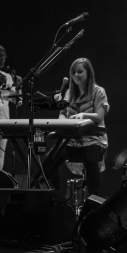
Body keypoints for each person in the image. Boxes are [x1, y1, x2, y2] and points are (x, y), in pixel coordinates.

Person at [48, 58, 109, 196]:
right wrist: (63, 122)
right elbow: (62, 113)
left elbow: (99, 117)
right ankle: (55, 199)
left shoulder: (98, 91)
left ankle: (92, 202)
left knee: (91, 160)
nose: (76, 75)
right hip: (72, 140)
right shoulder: (69, 92)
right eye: (74, 72)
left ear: (88, 73)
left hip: (93, 138)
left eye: (80, 71)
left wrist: (82, 115)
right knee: (48, 162)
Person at [0, 45, 21, 176]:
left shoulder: (6, 76)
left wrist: (18, 87)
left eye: (4, 55)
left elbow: (16, 101)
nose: (3, 57)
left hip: (3, 123)